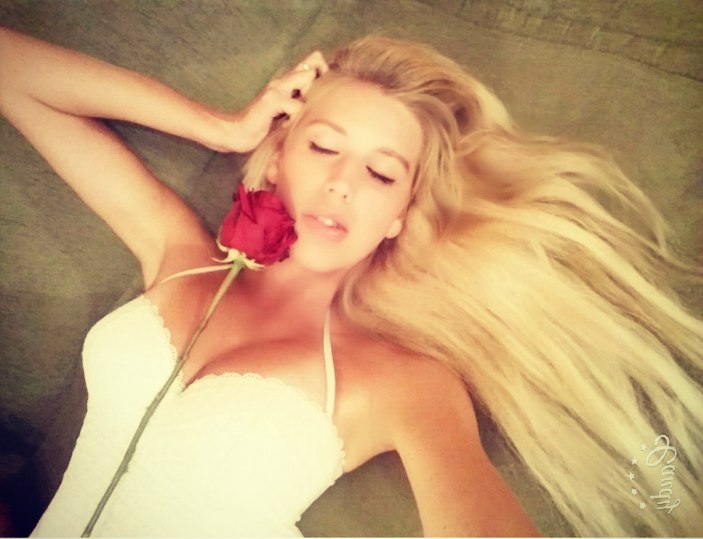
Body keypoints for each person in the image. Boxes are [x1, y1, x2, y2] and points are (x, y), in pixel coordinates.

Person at [1, 26, 701, 537]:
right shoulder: (180, 253)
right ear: (279, 155)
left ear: (399, 216)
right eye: (323, 145)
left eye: (380, 172)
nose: (341, 182)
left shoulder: (404, 381)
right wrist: (223, 128)